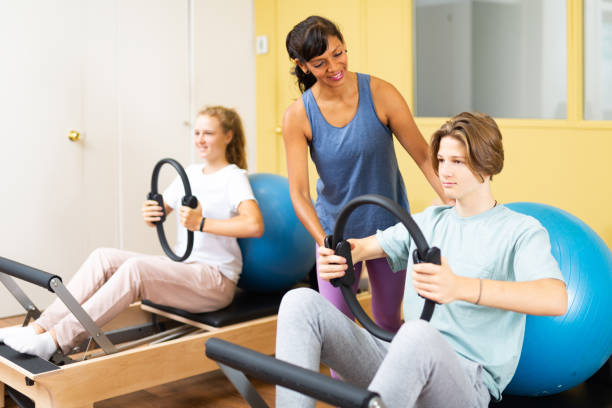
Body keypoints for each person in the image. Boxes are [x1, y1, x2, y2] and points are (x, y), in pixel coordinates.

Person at [275, 112, 568, 407]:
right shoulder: (429, 221)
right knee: (300, 303)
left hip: (467, 381)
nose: (444, 171)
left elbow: (555, 299)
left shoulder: (519, 230)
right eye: (441, 160)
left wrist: (459, 288)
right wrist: (341, 257)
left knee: (416, 334)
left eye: (458, 161)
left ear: (487, 163)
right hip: (403, 359)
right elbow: (362, 248)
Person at [0, 106, 264, 360]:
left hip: (214, 279)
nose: (200, 139)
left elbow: (254, 225)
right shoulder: (192, 173)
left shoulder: (233, 177)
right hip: (184, 268)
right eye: (197, 133)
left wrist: (202, 223)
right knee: (103, 257)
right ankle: (39, 328)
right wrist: (152, 213)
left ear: (228, 136)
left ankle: (56, 340)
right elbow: (161, 212)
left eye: (208, 133)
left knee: (136, 269)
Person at [283, 16, 449, 332]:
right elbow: (299, 194)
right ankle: (343, 385)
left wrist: (457, 207)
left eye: (338, 53)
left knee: (387, 320)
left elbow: (426, 158)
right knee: (338, 330)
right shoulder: (298, 115)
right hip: (336, 233)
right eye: (319, 63)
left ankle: (389, 383)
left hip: (388, 231)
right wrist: (326, 243)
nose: (334, 67)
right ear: (303, 66)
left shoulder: (381, 93)